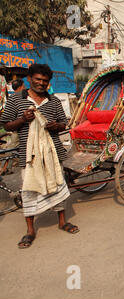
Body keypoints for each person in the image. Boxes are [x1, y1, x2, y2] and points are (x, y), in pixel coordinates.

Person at [0, 64, 77, 249]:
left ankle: (62, 221)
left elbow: (63, 123)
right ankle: (30, 231)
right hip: (29, 155)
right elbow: (6, 125)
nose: (41, 83)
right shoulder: (16, 100)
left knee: (58, 185)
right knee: (29, 190)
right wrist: (22, 120)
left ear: (48, 82)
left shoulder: (54, 101)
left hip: (53, 152)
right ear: (29, 79)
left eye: (45, 81)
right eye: (38, 80)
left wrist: (56, 126)